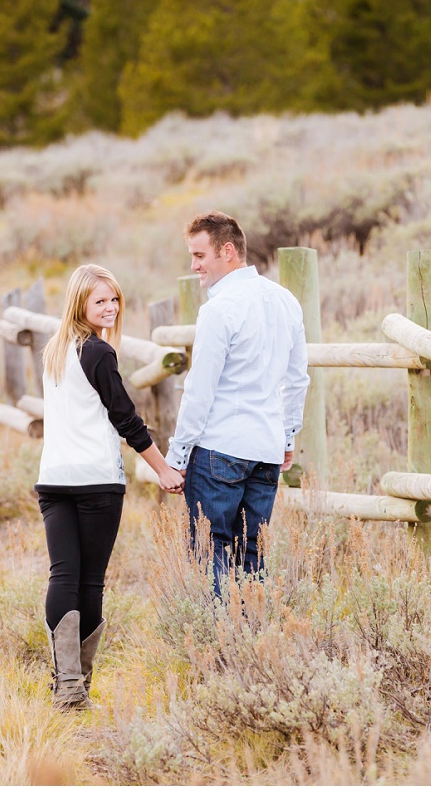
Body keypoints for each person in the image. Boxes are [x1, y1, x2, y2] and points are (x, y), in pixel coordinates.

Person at [35, 263, 184, 711]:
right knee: (90, 582)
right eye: (100, 300)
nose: (111, 307)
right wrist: (163, 469)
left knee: (63, 576)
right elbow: (126, 418)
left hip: (53, 479)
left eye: (115, 299)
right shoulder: (98, 354)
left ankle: (67, 688)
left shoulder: (54, 351)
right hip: (96, 480)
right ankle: (75, 688)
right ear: (80, 303)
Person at [165, 211, 310, 594]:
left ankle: (218, 648)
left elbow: (200, 390)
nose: (194, 266)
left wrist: (177, 457)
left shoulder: (219, 309)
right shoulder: (286, 300)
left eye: (199, 256)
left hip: (219, 449)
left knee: (209, 552)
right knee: (252, 556)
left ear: (227, 251)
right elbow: (297, 380)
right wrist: (287, 438)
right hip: (265, 449)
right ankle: (250, 644)